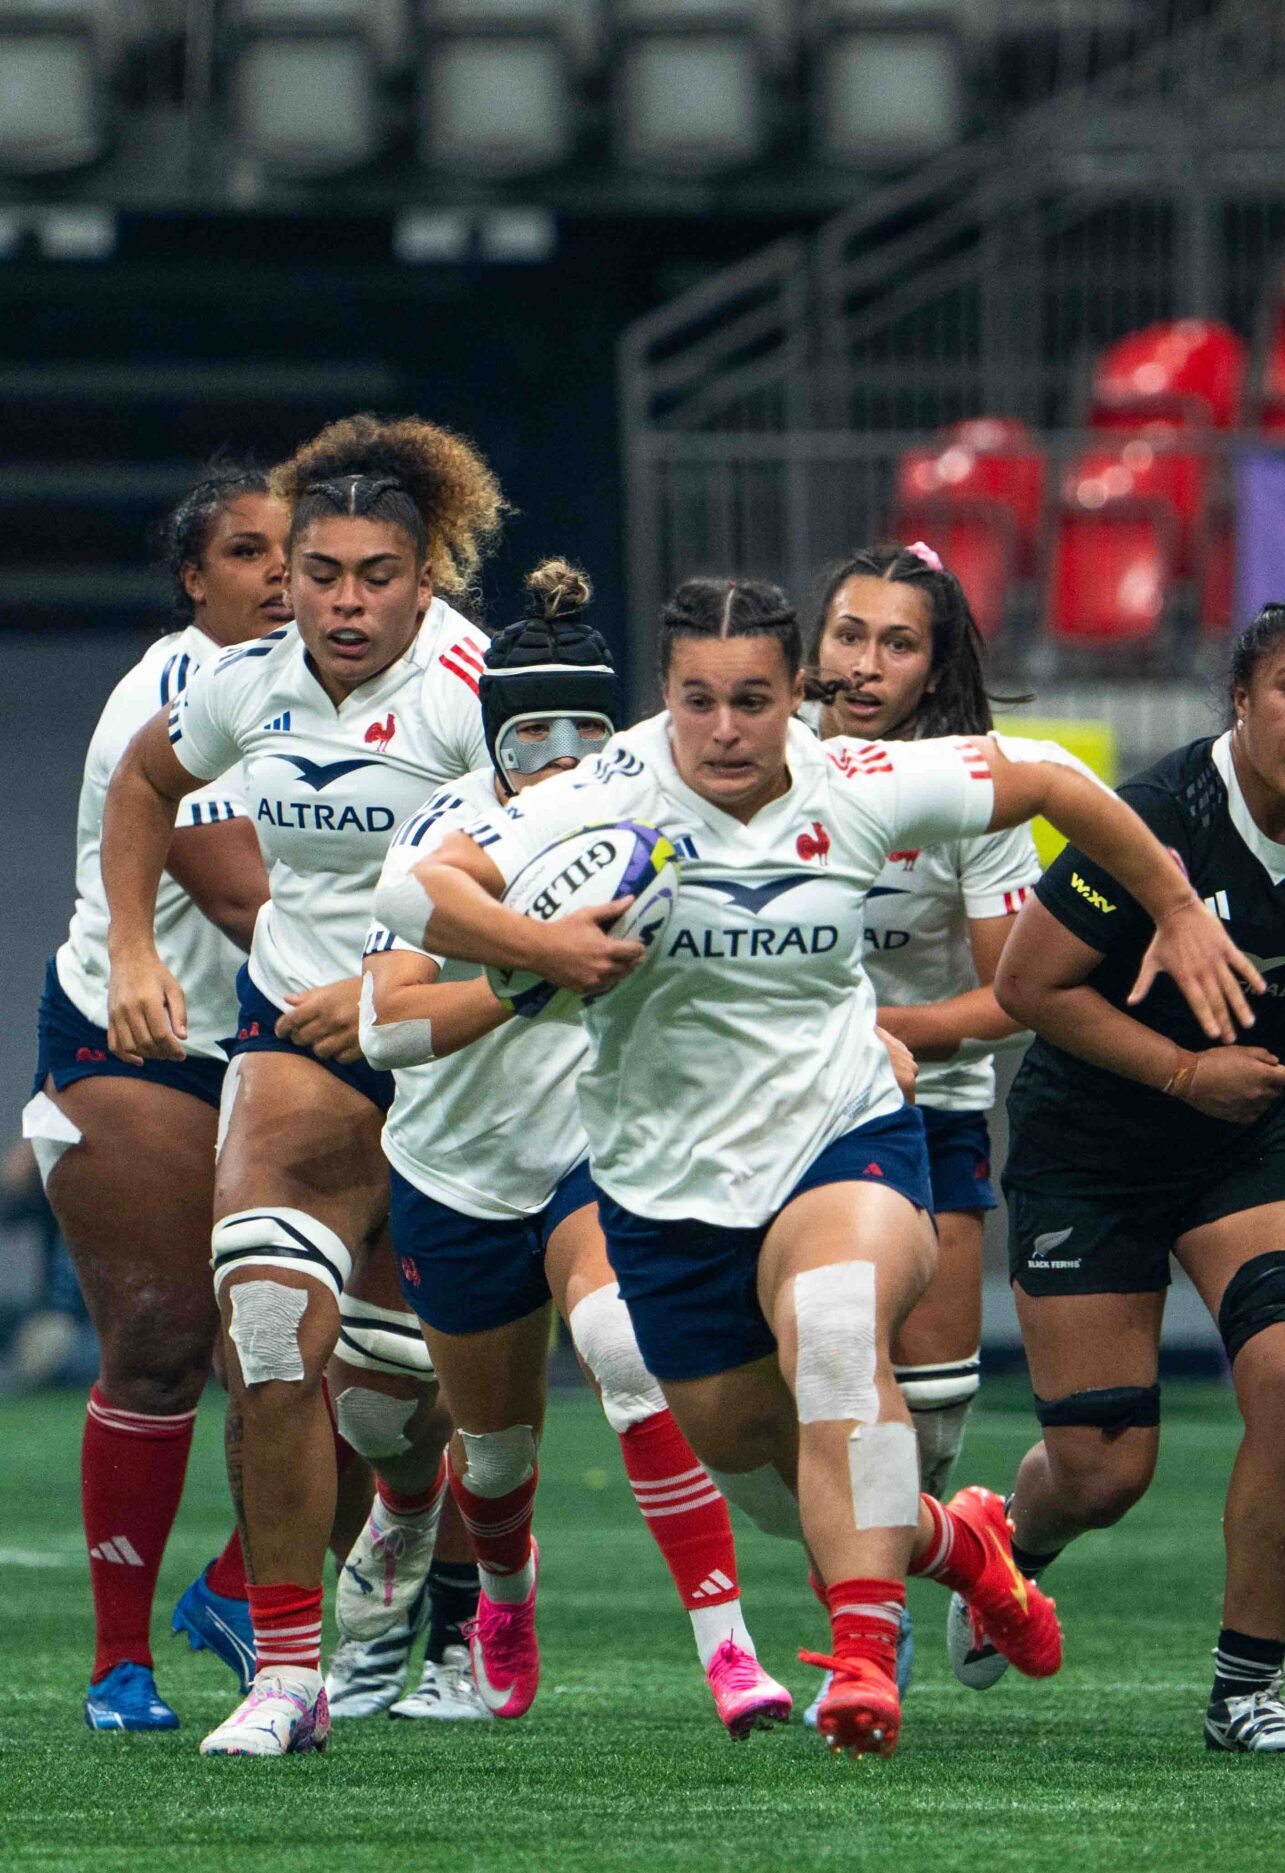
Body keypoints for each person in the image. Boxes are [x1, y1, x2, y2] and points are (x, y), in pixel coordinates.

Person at [393, 575, 1258, 1759]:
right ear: (667, 695)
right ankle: (963, 1550)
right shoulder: (601, 794)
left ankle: (863, 1656)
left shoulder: (854, 783)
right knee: (779, 1473)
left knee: (840, 1325)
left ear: (796, 694)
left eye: (754, 699)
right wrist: (543, 947)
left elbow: (1056, 780)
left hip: (844, 1137)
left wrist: (1175, 908)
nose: (728, 728)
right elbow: (417, 887)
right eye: (700, 700)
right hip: (665, 1195)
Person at [101, 416, 508, 1757]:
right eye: (320, 570)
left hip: (459, 1057)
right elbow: (146, 782)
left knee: (410, 1405)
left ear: (425, 572)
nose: (342, 599)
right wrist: (137, 946)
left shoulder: (478, 693)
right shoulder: (246, 679)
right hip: (295, 1043)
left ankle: (405, 1514)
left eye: (375, 574)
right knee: (268, 1327)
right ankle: (286, 1673)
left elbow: (569, 879)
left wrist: (401, 994)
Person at [358, 561, 788, 1733]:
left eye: (583, 727)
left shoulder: (658, 820)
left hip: (591, 1159)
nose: (555, 750)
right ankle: (504, 1591)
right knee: (490, 1459)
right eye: (529, 728)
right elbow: (385, 1025)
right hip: (453, 1173)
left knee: (621, 1344)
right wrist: (528, 973)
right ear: (492, 738)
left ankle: (730, 1650)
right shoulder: (445, 834)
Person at [987, 594, 1285, 1751]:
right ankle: (1005, 1549)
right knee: (1103, 1471)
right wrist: (1181, 1073)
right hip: (1094, 1148)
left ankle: (1247, 1689)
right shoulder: (1158, 816)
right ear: (1239, 699)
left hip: (1253, 1139)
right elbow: (1029, 989)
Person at [32, 463, 279, 1729]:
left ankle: (241, 1588)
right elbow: (245, 896)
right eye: (247, 552)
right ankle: (116, 1665)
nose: (286, 576)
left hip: (295, 1041)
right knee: (163, 1342)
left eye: (313, 556)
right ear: (195, 579)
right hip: (145, 1044)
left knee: (371, 1353)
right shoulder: (185, 689)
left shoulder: (369, 692)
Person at [803, 541, 1035, 1505]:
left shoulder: (976, 795)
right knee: (815, 1388)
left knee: (933, 1417)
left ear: (936, 669)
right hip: (776, 1115)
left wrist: (871, 1028)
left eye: (897, 645)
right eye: (848, 635)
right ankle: (864, 1622)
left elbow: (1015, 1000)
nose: (864, 665)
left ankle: (902, 1594)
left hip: (928, 1111)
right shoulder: (760, 762)